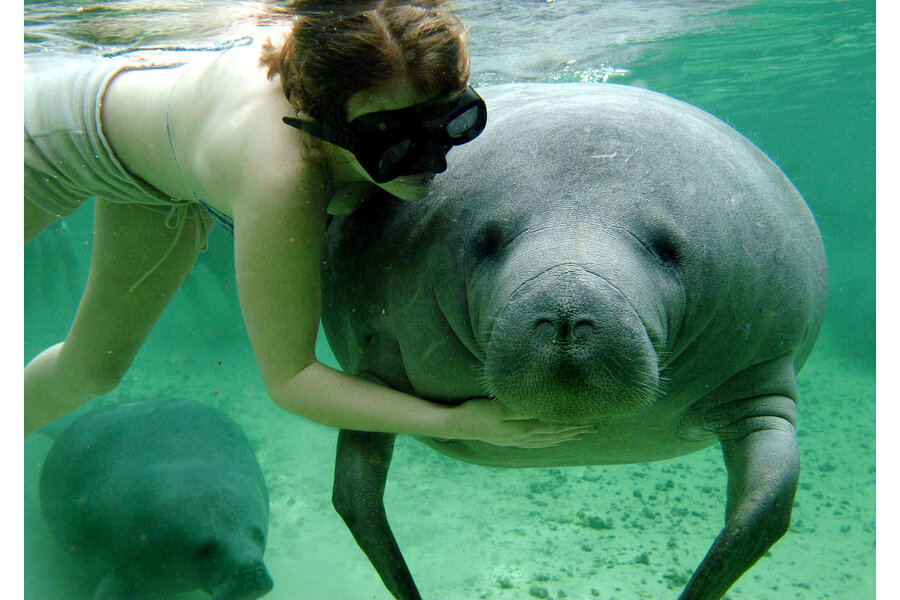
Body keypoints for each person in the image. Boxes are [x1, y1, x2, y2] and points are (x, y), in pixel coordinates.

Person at [24, 0, 594, 446]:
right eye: (392, 144)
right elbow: (292, 382)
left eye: (450, 122)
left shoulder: (369, 85)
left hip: (159, 172)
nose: (431, 161)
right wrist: (460, 423)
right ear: (319, 125)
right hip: (49, 139)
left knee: (90, 372)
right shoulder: (280, 175)